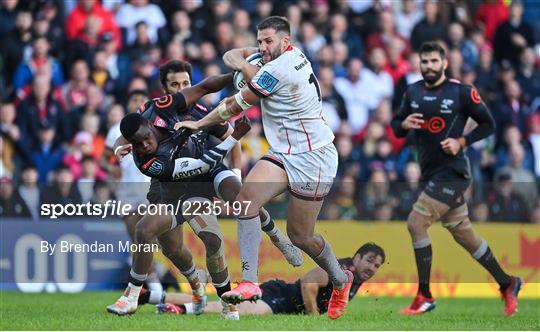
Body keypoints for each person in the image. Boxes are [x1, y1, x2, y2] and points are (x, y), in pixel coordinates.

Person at [177, 16, 353, 320]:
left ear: (285, 42)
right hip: (285, 152)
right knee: (246, 201)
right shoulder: (286, 54)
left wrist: (199, 123)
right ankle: (248, 282)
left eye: (268, 41)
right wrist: (247, 63)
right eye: (259, 41)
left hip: (315, 158)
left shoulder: (280, 70)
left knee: (301, 236)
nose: (262, 46)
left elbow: (233, 106)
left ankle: (340, 279)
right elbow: (231, 56)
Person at [391, 41, 521, 316]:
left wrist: (461, 141)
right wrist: (403, 125)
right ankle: (508, 283)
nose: (428, 66)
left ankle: (424, 296)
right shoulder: (412, 91)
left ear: (444, 63)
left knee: (416, 223)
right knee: (465, 235)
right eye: (424, 62)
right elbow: (396, 125)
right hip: (430, 174)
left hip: (454, 173)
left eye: (433, 61)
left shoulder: (461, 91)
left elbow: (488, 124)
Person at [144, 243, 385, 316]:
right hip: (283, 297)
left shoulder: (356, 279)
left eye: (377, 264)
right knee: (237, 311)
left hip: (283, 296)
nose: (372, 267)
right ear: (357, 256)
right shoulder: (341, 270)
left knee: (218, 304)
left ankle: (150, 295)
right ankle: (178, 309)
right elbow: (308, 283)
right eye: (370, 260)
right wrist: (314, 319)